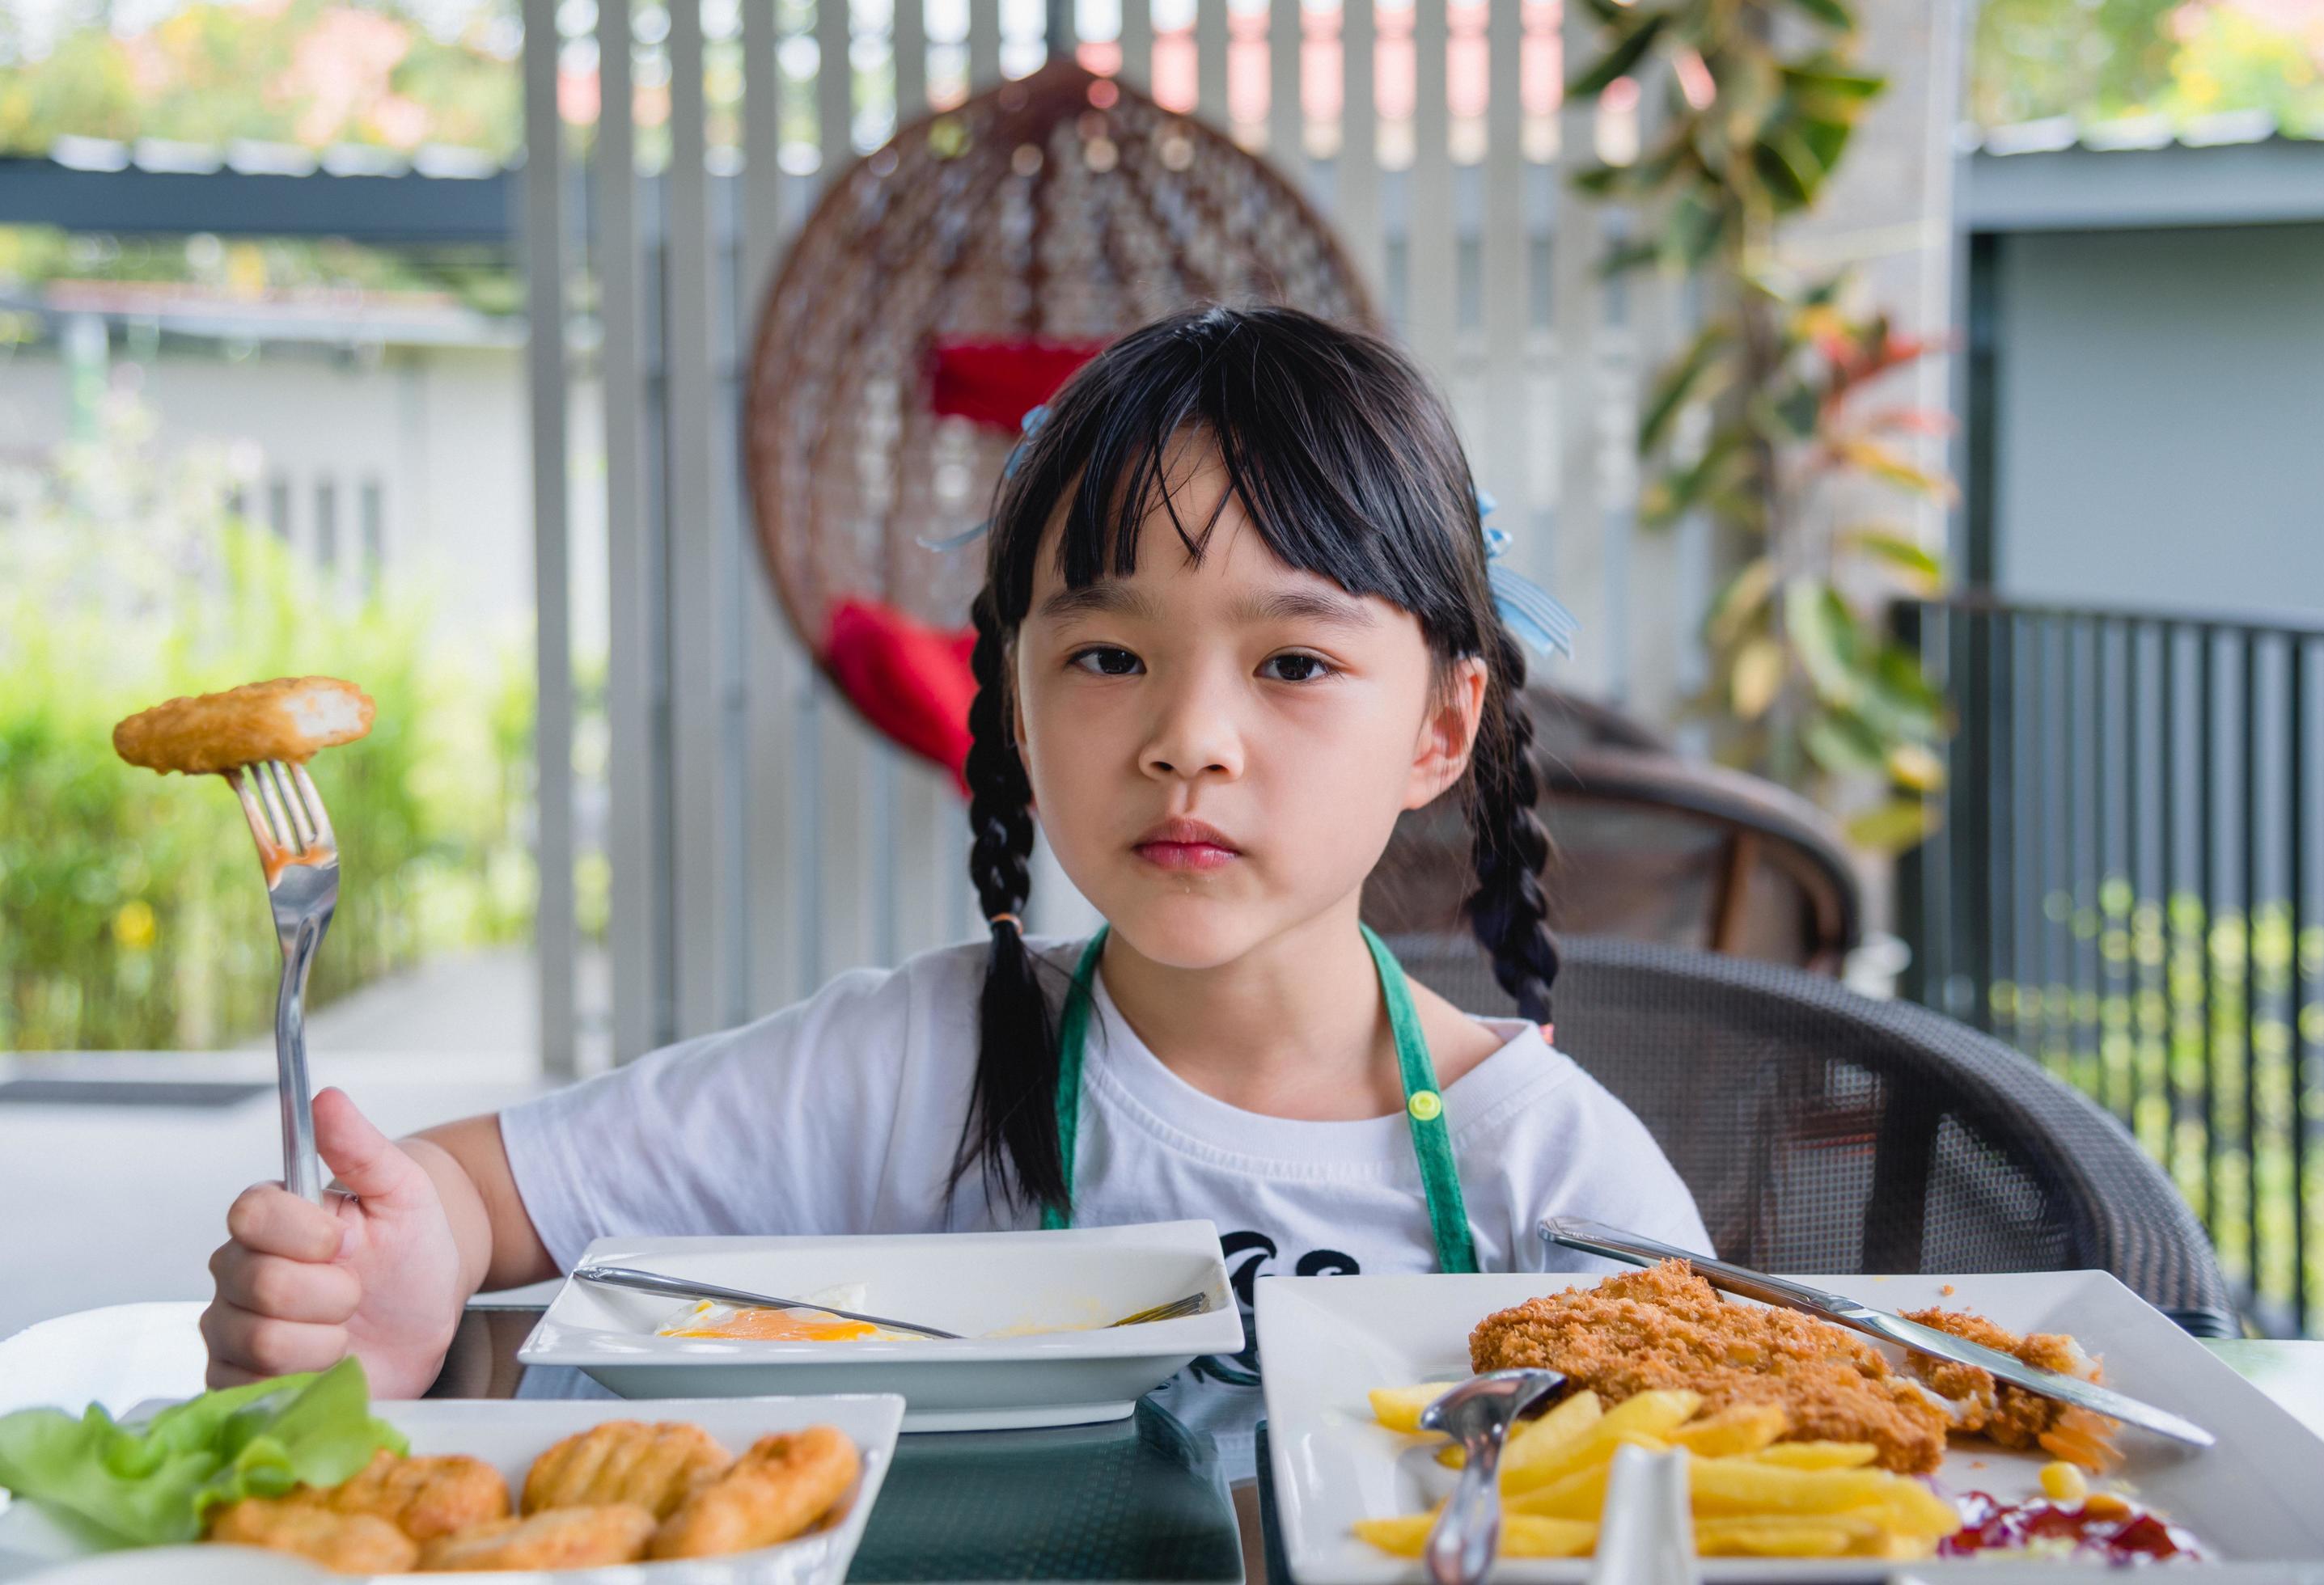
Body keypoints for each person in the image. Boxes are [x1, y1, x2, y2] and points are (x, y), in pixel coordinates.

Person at [200, 305, 1711, 1477]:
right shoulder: (916, 1061)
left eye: (1295, 664)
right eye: (1108, 656)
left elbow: (1718, 1474)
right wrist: (400, 1280)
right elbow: (486, 1191)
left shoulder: (1555, 1180)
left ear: (1439, 728)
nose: (1189, 738)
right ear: (1017, 701)